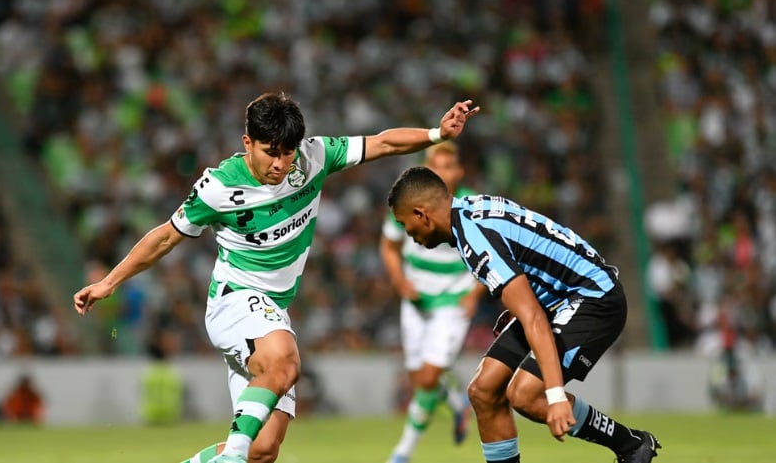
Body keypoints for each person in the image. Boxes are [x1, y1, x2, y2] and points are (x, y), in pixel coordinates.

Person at [72, 92, 479, 463]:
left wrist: (435, 133)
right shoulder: (218, 187)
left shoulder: (315, 157)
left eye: (288, 153)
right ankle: (232, 455)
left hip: (273, 310)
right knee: (285, 363)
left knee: (264, 450)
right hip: (236, 298)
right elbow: (164, 237)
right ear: (247, 142)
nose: (281, 164)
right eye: (271, 153)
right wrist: (109, 282)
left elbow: (384, 143)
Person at [386, 166, 662, 463]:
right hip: (554, 300)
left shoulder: (475, 238)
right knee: (483, 391)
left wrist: (555, 397)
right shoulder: (471, 210)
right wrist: (522, 304)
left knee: (526, 395)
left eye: (404, 225)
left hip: (592, 297)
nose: (409, 236)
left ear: (421, 214)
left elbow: (532, 317)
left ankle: (631, 445)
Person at [379, 142, 487, 463]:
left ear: (459, 171)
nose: (442, 171)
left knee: (426, 379)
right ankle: (455, 400)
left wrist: (475, 293)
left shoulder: (471, 206)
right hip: (416, 300)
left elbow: (491, 255)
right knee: (419, 379)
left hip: (453, 301)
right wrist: (400, 281)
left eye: (448, 165)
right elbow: (388, 246)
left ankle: (402, 453)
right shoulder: (408, 202)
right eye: (435, 164)